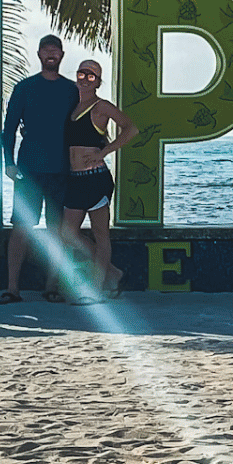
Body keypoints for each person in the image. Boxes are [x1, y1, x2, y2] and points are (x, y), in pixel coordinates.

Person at [0, 35, 78, 304]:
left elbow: (83, 129)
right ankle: (12, 288)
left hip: (62, 171)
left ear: (62, 55)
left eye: (55, 50)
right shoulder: (24, 88)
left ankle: (52, 287)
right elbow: (8, 129)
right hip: (28, 170)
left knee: (57, 231)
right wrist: (8, 162)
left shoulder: (72, 90)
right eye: (46, 50)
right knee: (21, 228)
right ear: (39, 54)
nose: (51, 54)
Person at [59, 58, 137, 304]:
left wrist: (104, 152)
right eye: (81, 74)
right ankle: (112, 272)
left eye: (91, 76)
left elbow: (131, 129)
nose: (85, 79)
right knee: (67, 235)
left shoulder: (101, 106)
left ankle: (95, 289)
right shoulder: (72, 106)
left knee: (101, 234)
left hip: (95, 179)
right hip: (75, 179)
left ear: (98, 82)